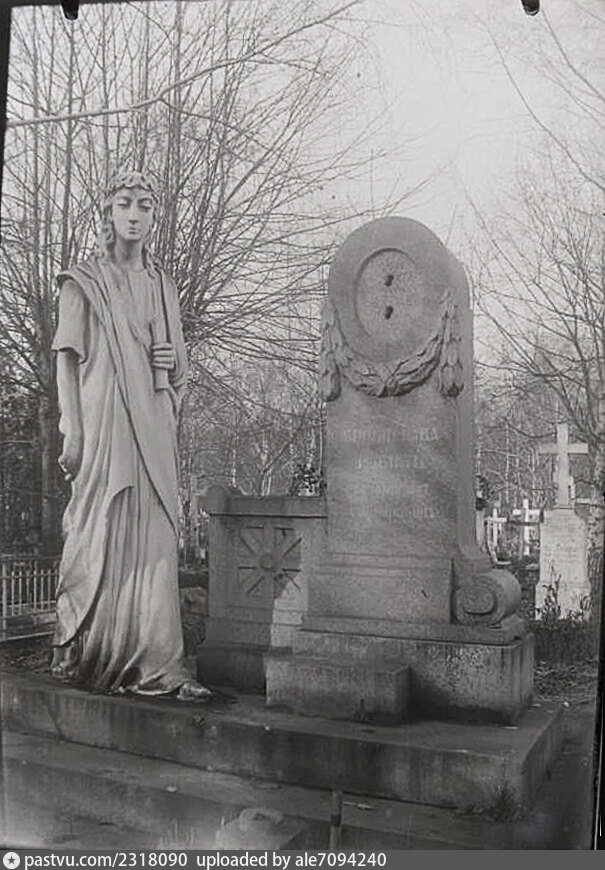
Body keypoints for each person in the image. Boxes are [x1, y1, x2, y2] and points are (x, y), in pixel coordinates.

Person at [50, 169, 211, 701]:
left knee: (158, 534)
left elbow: (179, 371)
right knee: (99, 530)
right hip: (104, 428)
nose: (135, 215)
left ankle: (162, 665)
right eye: (125, 203)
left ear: (154, 216)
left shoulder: (163, 286)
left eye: (145, 205)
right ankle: (89, 650)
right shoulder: (83, 283)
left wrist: (171, 361)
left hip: (153, 422)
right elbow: (66, 362)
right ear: (108, 212)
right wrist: (71, 429)